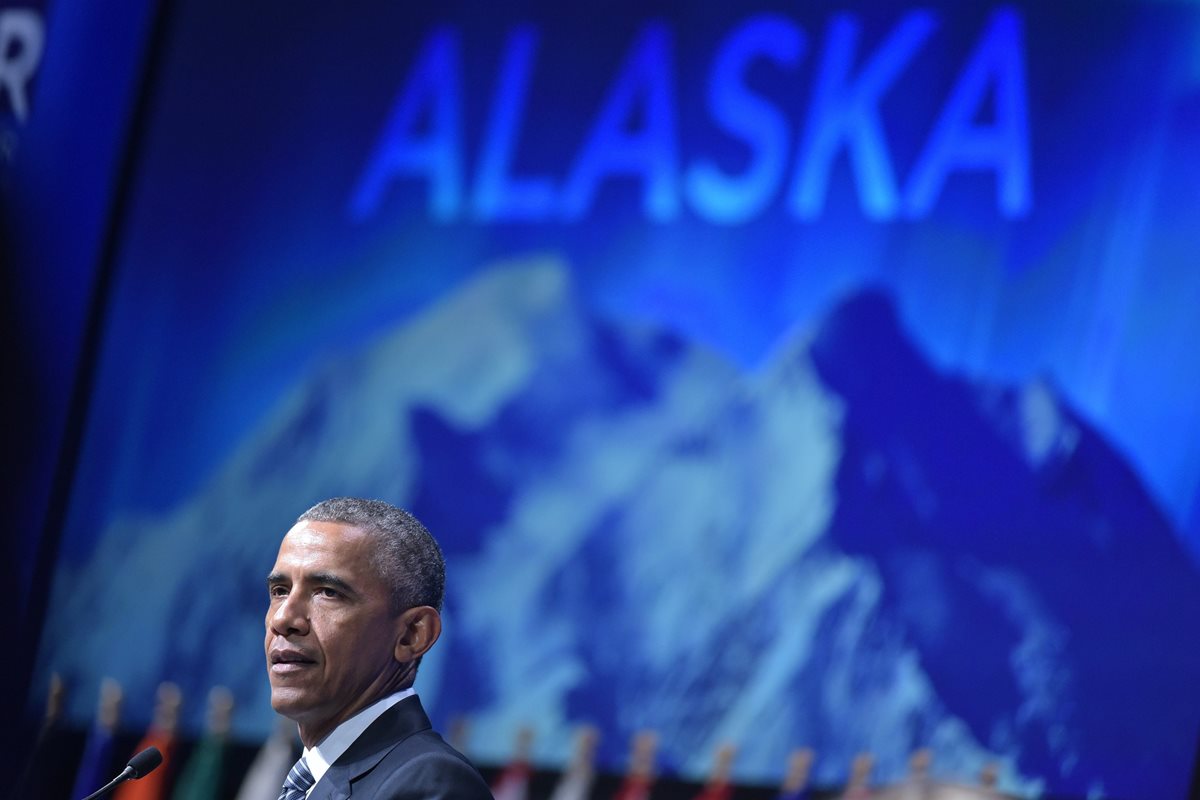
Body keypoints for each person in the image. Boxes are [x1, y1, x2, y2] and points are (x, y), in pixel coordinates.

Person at [265, 497, 493, 800]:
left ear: (412, 635)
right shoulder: (315, 779)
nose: (283, 619)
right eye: (280, 591)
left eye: (328, 593)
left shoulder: (430, 784)